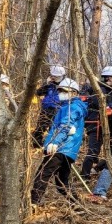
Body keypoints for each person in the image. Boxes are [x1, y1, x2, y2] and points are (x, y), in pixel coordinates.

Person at [30, 78, 87, 207]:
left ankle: (33, 204)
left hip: (61, 148)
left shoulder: (72, 108)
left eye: (65, 91)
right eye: (60, 90)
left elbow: (65, 125)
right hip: (69, 150)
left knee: (42, 174)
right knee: (62, 182)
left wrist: (54, 142)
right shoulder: (69, 107)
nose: (62, 93)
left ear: (74, 93)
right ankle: (78, 206)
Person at [80, 66, 112, 181]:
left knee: (111, 150)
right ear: (108, 78)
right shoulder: (98, 90)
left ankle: (96, 168)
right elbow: (101, 105)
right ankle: (85, 175)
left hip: (107, 125)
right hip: (96, 124)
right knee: (93, 150)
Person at [32, 65, 66, 147]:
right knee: (40, 127)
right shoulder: (49, 85)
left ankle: (51, 145)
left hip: (58, 109)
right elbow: (38, 93)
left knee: (53, 128)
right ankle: (37, 144)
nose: (54, 78)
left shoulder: (66, 84)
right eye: (53, 76)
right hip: (46, 108)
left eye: (56, 76)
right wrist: (46, 84)